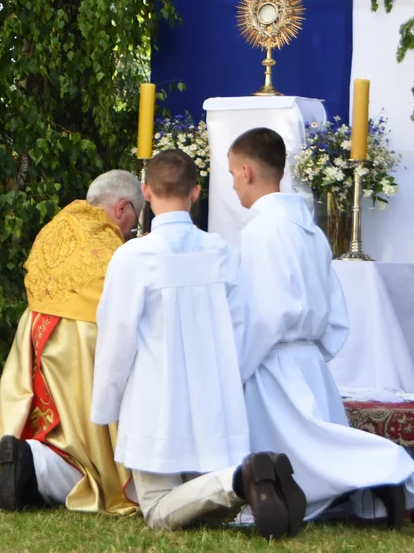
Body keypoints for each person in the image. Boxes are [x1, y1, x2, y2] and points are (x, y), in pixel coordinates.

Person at [91, 150, 305, 539]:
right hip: (214, 403)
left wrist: (106, 404)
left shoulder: (133, 256)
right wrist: (226, 381)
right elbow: (242, 326)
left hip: (155, 404)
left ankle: (239, 481)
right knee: (199, 510)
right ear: (195, 192)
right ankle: (238, 479)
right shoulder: (221, 250)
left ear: (146, 193)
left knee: (157, 508)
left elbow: (116, 337)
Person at [227, 127, 414, 526]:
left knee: (306, 457)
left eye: (232, 174)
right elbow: (335, 312)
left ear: (247, 171)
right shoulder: (311, 232)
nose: (233, 185)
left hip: (271, 363)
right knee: (319, 447)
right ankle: (383, 475)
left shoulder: (260, 232)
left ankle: (392, 464)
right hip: (307, 364)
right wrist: (312, 354)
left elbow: (263, 314)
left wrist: (235, 366)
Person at [0, 170, 142, 515]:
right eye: (132, 224)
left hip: (34, 330)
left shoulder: (58, 224)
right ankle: (96, 479)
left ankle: (26, 459)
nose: (127, 233)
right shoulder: (111, 244)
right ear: (122, 209)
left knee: (52, 426)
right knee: (91, 440)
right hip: (86, 336)